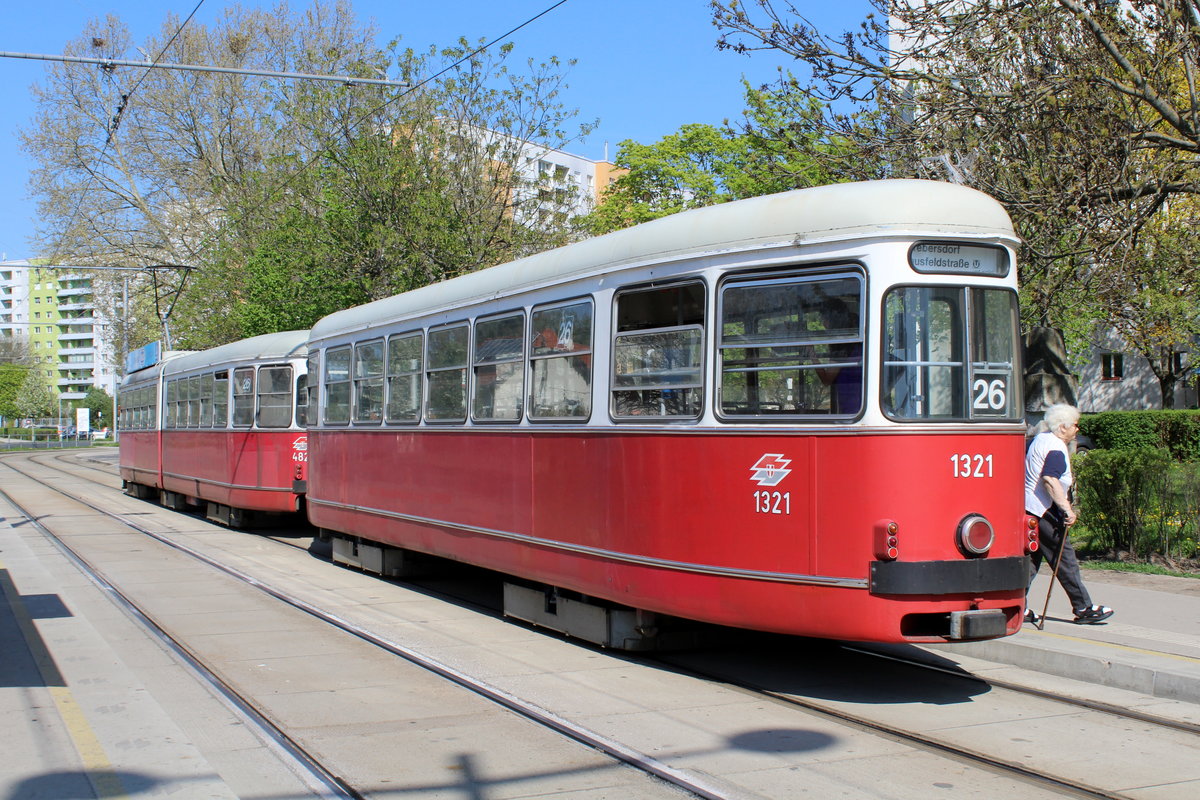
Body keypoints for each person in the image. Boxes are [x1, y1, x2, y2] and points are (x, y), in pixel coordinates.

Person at [1024, 403, 1114, 625]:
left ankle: (1017, 606)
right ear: (1063, 427)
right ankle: (1083, 607)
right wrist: (1067, 508)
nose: (1077, 429)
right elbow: (1050, 479)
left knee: (1032, 561)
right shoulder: (1055, 447)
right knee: (1065, 560)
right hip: (1047, 512)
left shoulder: (1040, 439)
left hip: (1029, 509)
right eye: (1075, 424)